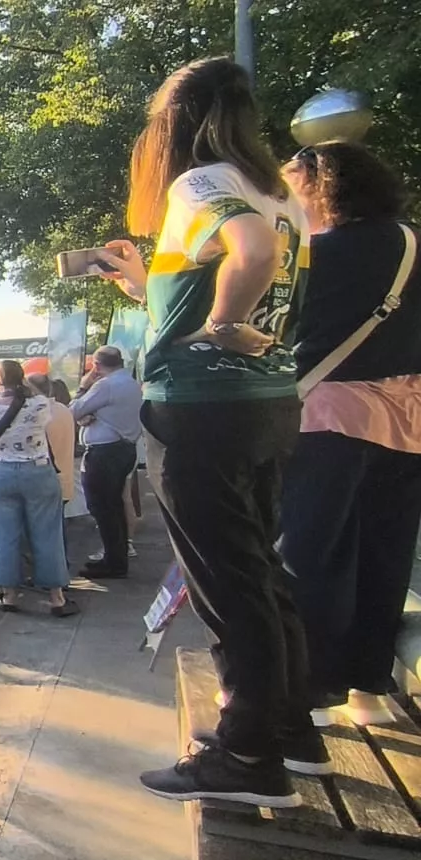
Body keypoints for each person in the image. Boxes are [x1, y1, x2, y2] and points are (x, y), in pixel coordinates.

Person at [94, 56, 324, 806]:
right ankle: (290, 726)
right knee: (260, 566)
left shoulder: (201, 184)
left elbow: (250, 255)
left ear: (173, 126)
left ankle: (248, 755)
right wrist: (141, 282)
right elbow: (252, 263)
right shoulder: (278, 191)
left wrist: (223, 321)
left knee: (227, 583)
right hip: (267, 401)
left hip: (202, 408)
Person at [275, 141, 421, 728]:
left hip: (330, 413)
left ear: (317, 185)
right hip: (408, 419)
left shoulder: (315, 255)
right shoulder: (412, 242)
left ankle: (308, 692)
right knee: (385, 551)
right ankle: (369, 689)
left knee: (312, 551)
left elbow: (273, 330)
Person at [0, 361, 77, 616]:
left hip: (1, 473)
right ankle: (57, 598)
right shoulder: (39, 404)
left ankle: (9, 595)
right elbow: (43, 411)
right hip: (37, 470)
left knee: (5, 536)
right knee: (47, 533)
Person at [70, 346, 143, 578]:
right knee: (115, 505)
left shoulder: (105, 385)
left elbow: (74, 410)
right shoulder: (131, 384)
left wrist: (83, 386)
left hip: (104, 452)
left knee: (102, 507)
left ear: (96, 366)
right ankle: (116, 557)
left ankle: (114, 561)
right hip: (125, 447)